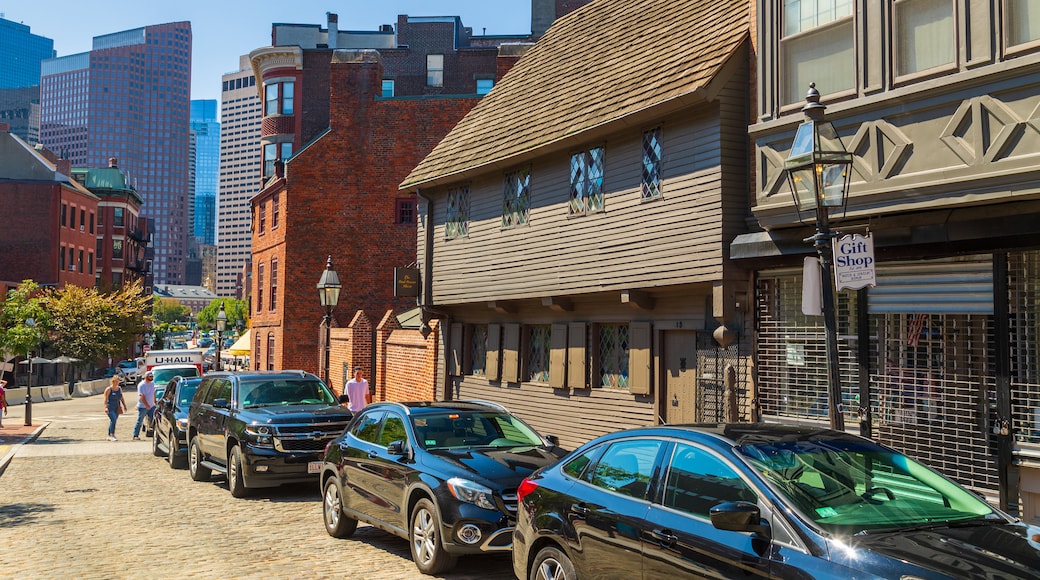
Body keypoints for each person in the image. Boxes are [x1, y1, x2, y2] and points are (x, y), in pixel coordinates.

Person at [133, 371, 157, 441]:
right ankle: (135, 435)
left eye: (152, 376)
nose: (152, 378)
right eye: (150, 376)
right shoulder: (142, 385)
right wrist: (147, 405)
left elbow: (154, 392)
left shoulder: (152, 384)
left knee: (154, 420)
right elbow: (142, 396)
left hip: (152, 406)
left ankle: (154, 434)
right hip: (143, 406)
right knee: (140, 421)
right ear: (146, 377)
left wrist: (154, 401)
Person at [103, 375, 127, 441]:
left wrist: (124, 405)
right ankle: (112, 434)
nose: (116, 383)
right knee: (113, 419)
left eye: (118, 381)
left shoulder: (119, 388)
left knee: (113, 421)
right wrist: (105, 407)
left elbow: (121, 398)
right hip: (110, 406)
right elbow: (105, 399)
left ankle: (109, 435)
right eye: (115, 381)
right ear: (112, 381)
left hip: (117, 406)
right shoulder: (108, 389)